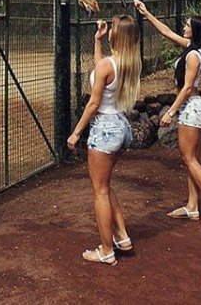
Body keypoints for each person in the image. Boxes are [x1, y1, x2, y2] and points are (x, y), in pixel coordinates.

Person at [133, 0, 201, 226]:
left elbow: (186, 87)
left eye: (187, 26)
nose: (184, 28)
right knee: (191, 160)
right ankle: (192, 206)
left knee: (189, 158)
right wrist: (147, 13)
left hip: (191, 108)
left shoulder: (193, 55)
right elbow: (166, 32)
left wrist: (170, 112)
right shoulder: (196, 49)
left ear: (196, 31)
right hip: (196, 108)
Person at [67, 15, 141, 265]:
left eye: (112, 29)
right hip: (121, 126)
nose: (109, 30)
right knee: (105, 185)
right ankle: (121, 236)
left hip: (105, 128)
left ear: (118, 35)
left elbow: (94, 102)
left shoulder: (109, 65)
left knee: (99, 190)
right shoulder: (128, 62)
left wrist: (76, 132)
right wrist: (97, 41)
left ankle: (106, 250)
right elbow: (101, 71)